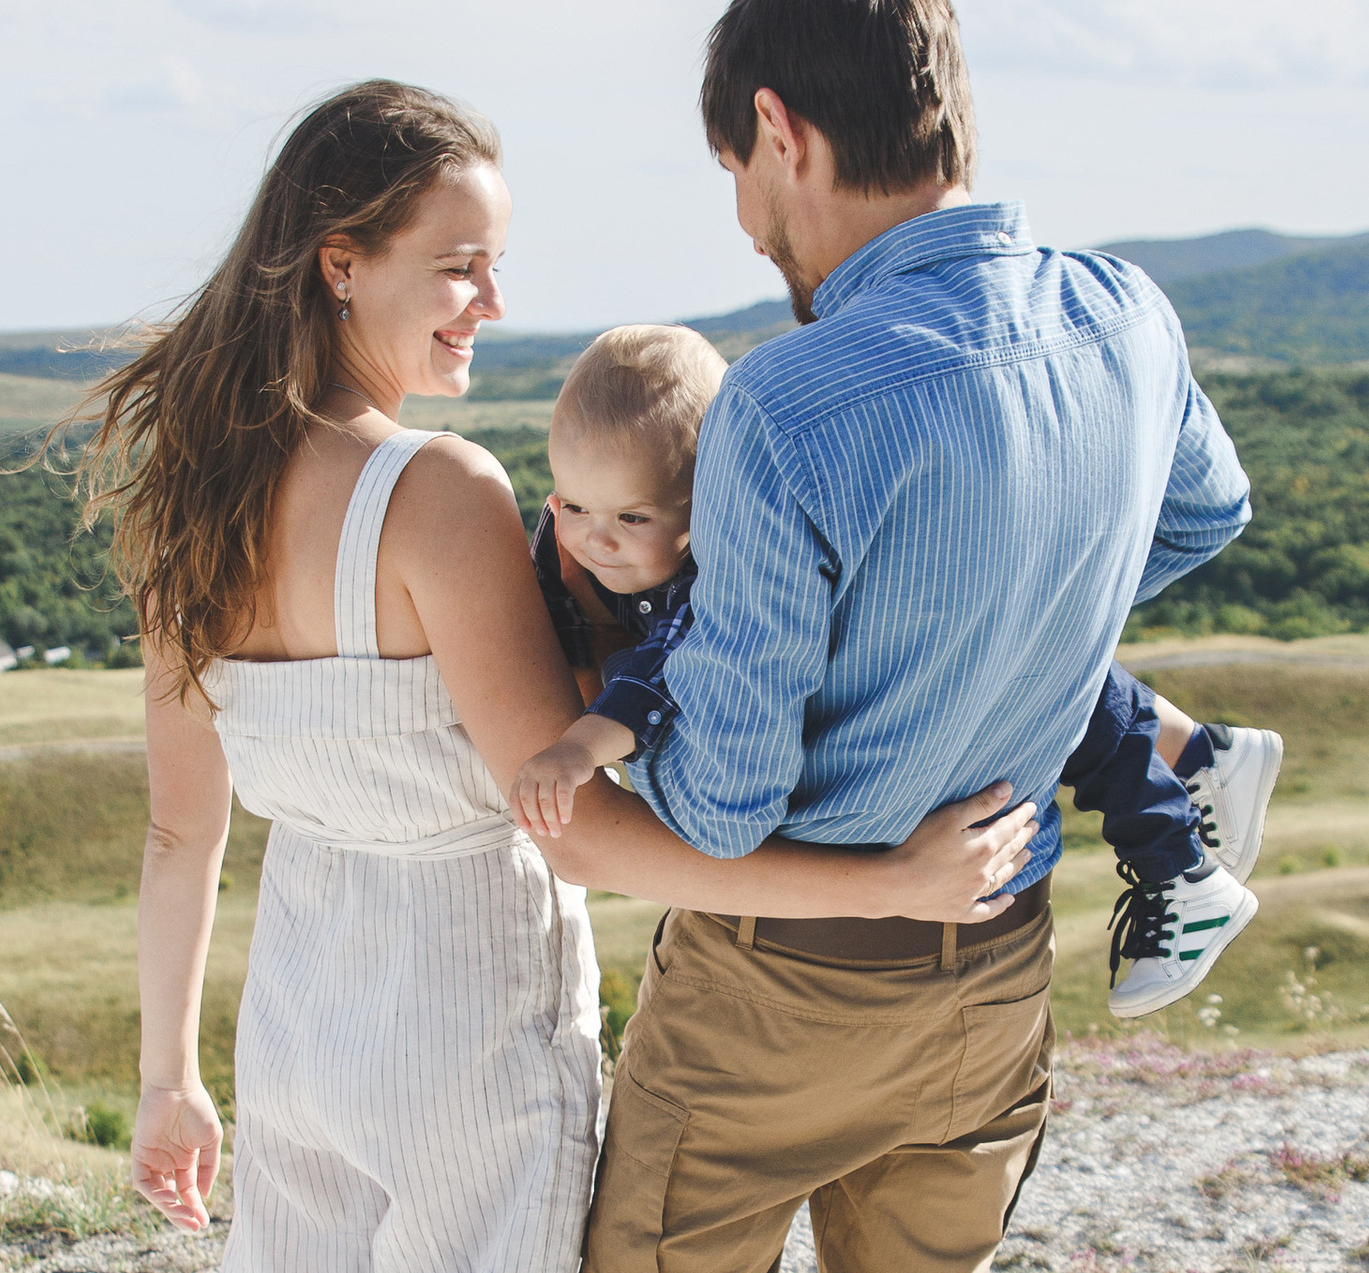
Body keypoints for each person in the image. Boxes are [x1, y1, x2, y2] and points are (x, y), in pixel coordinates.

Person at [89, 80, 1037, 1273]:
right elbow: (573, 824)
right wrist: (868, 886)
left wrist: (166, 1074)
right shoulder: (425, 496)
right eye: (453, 264)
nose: (485, 306)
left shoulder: (190, 479)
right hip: (455, 1010)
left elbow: (185, 826)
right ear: (333, 255)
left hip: (302, 1009)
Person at [475, 0, 1252, 1273]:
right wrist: (1006, 607)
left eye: (739, 178)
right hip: (989, 964)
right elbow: (1198, 507)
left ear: (781, 131)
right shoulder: (1122, 310)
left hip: (766, 995)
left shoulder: (791, 406)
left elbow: (718, 810)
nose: (746, 222)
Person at [511, 323, 1280, 1016]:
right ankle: (1197, 753)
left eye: (632, 518)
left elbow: (652, 686)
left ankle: (1177, 862)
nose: (593, 541)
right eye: (571, 507)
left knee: (1058, 700)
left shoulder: (711, 589)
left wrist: (580, 748)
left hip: (878, 935)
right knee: (1033, 659)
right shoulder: (596, 551)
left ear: (706, 511)